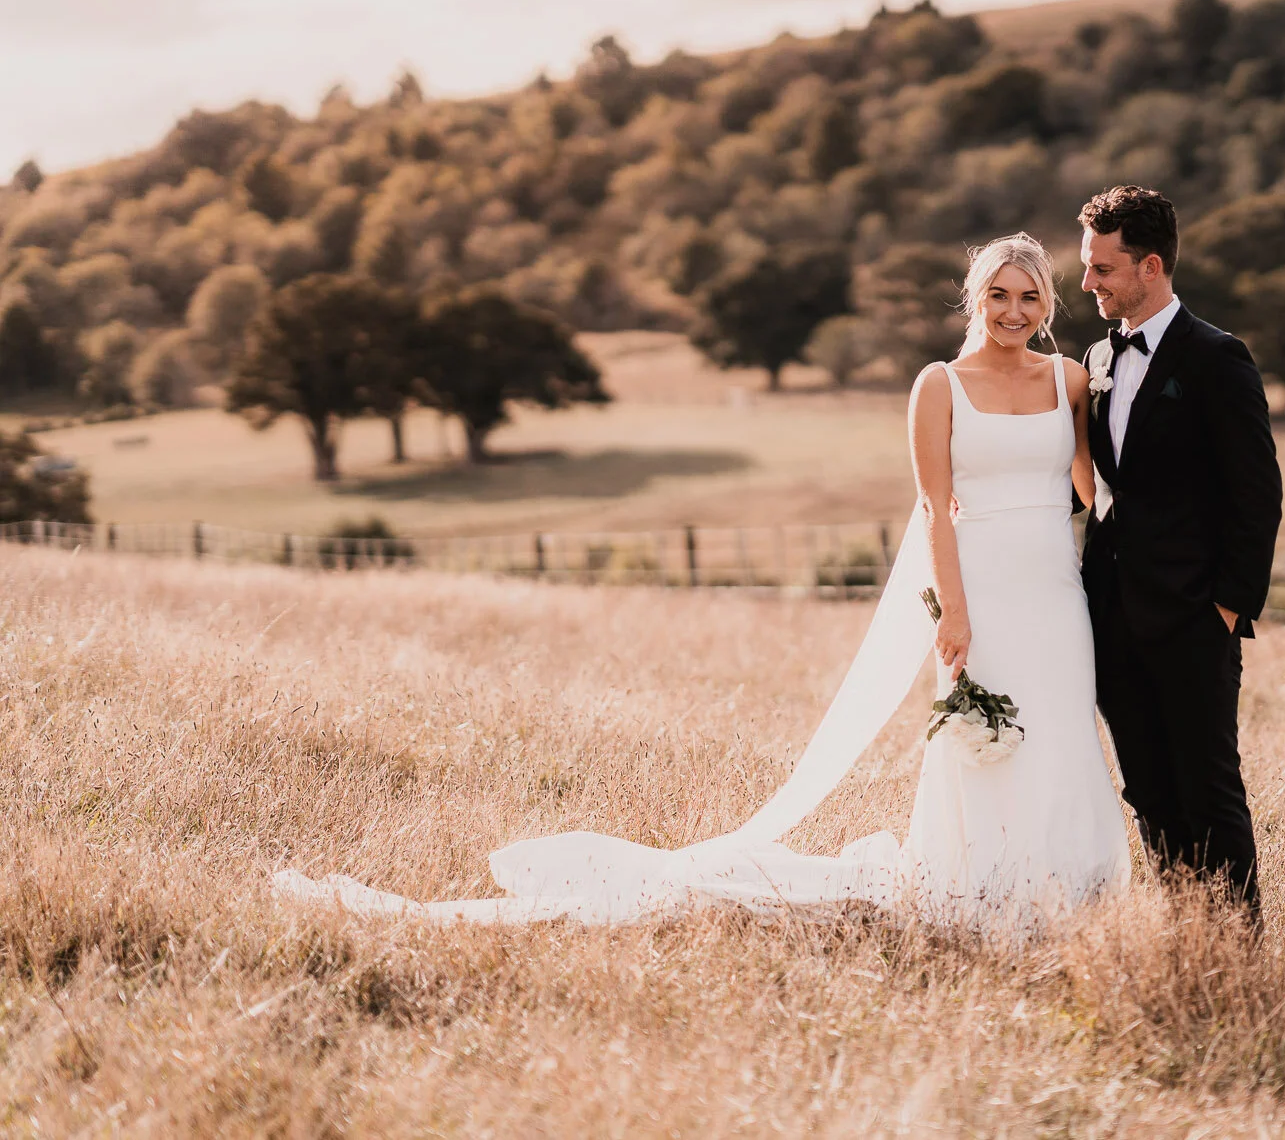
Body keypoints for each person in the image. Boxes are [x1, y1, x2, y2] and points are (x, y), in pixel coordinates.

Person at [273, 233, 1130, 927]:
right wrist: (954, 615)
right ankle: (981, 892)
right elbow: (935, 508)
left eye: (1030, 298)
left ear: (1047, 308)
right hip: (977, 588)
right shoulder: (938, 384)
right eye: (999, 295)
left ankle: (1076, 892)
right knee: (979, 742)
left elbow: (1091, 489)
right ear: (975, 300)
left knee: (1058, 730)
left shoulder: (1068, 380)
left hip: (1056, 594)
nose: (1014, 311)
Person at [1077, 185, 1283, 923]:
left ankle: (1240, 951)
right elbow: (1090, 484)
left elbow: (1257, 497)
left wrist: (1227, 608)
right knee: (1147, 790)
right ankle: (1188, 934)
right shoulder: (1095, 358)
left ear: (1151, 265)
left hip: (1196, 616)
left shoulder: (1218, 358)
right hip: (1110, 615)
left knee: (1208, 786)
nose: (1088, 283)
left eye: (1102, 268)